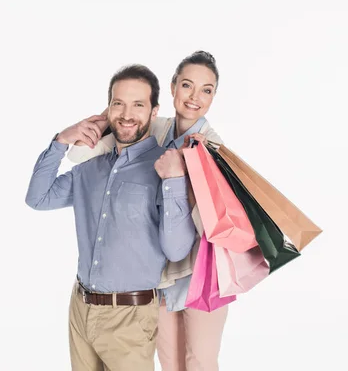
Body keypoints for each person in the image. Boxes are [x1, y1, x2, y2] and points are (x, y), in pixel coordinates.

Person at [25, 64, 198, 371]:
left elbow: (176, 250)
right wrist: (61, 141)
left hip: (130, 318)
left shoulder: (166, 168)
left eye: (138, 105)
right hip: (81, 308)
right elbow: (38, 198)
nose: (127, 114)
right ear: (108, 109)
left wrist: (173, 183)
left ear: (154, 111)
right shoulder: (91, 169)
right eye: (119, 103)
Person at [67, 51, 228, 371]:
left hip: (203, 273)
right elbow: (77, 157)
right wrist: (108, 118)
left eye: (206, 90)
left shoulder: (213, 148)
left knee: (199, 363)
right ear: (171, 88)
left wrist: (187, 172)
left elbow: (211, 224)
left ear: (213, 97)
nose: (195, 97)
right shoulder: (154, 129)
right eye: (187, 85)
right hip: (161, 278)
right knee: (170, 363)